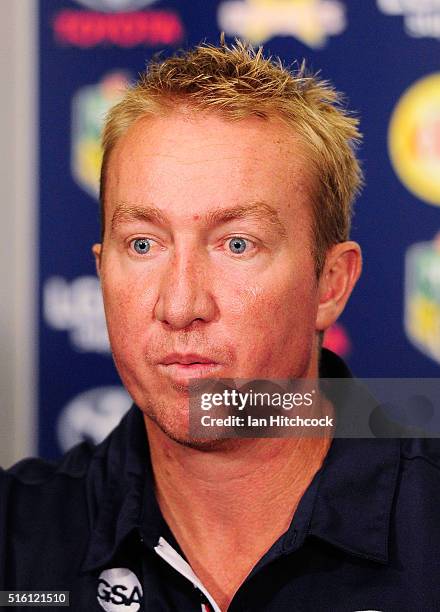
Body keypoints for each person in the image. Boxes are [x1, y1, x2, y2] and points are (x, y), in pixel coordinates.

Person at [1, 39, 440, 612]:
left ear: (329, 284)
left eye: (237, 244)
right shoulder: (16, 542)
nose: (180, 305)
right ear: (100, 269)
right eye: (142, 244)